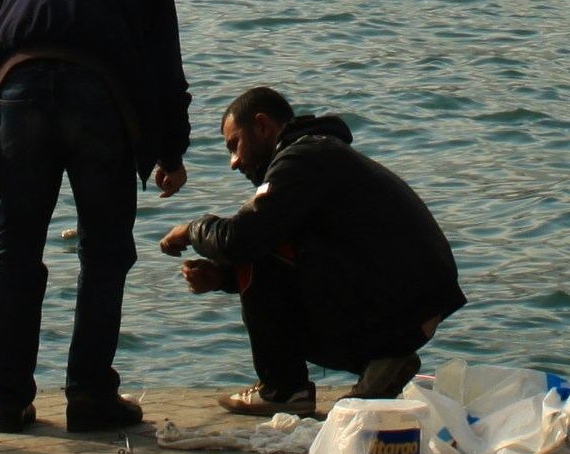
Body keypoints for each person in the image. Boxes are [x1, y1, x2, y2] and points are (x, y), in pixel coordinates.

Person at [0, 0, 193, 435]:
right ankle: (90, 396)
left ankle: (8, 404)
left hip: (14, 93)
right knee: (104, 254)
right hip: (99, 99)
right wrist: (172, 155)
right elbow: (165, 76)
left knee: (13, 255)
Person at [161, 88, 463, 417]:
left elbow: (241, 240)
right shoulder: (319, 156)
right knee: (262, 242)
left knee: (253, 242)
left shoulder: (303, 159)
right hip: (408, 305)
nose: (234, 162)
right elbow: (298, 259)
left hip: (399, 306)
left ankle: (284, 389)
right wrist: (223, 277)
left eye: (235, 145)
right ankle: (383, 360)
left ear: (262, 126)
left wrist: (193, 229)